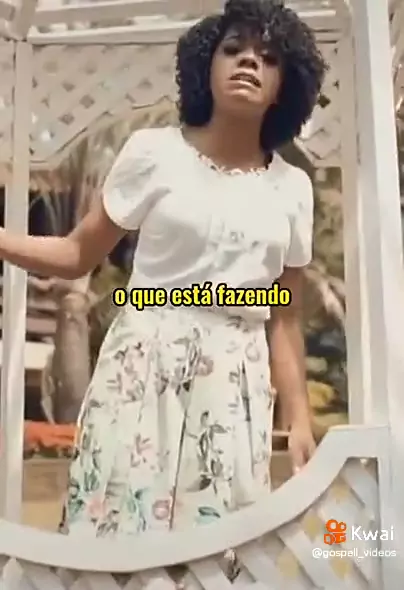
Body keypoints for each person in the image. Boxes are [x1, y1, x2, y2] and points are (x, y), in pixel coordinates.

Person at [1, 0, 325, 550]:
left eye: (269, 58)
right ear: (206, 66)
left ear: (284, 87)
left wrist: (298, 417)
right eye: (234, 49)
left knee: (215, 545)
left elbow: (284, 317)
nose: (249, 62)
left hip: (233, 379)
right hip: (142, 363)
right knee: (117, 534)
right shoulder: (153, 153)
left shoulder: (293, 188)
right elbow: (76, 253)